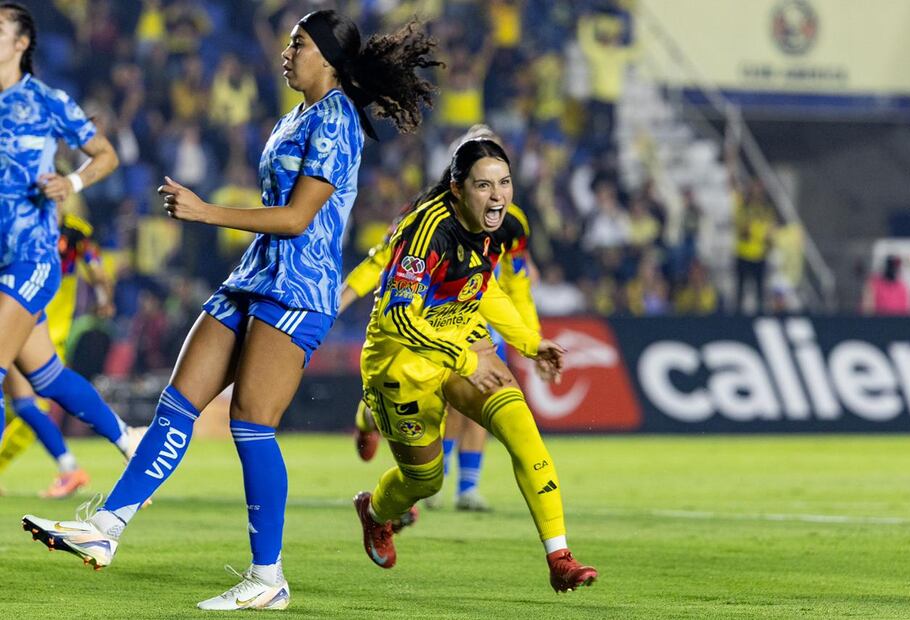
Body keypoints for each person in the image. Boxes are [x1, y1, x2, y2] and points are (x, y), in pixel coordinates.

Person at [23, 9, 440, 612]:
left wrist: (206, 211)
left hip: (297, 289)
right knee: (177, 401)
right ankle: (106, 527)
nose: (286, 51)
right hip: (252, 277)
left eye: (298, 43)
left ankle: (268, 578)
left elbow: (298, 219)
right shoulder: (295, 115)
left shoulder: (337, 120)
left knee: (250, 422)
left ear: (325, 56)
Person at [352, 138, 598, 592]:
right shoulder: (426, 232)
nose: (498, 195)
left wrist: (529, 342)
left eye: (504, 183)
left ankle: (560, 557)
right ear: (457, 188)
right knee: (424, 481)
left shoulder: (494, 228)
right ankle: (374, 512)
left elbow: (483, 289)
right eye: (484, 185)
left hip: (462, 336)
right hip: (401, 363)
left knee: (523, 431)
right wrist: (463, 359)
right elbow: (397, 315)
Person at [342, 124, 542, 512]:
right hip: (428, 320)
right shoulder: (424, 218)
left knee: (484, 401)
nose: (493, 189)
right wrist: (345, 296)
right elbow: (382, 259)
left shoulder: (513, 223)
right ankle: (376, 423)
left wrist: (529, 335)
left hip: (481, 313)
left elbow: (517, 281)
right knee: (443, 401)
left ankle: (467, 487)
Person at [0, 3, 119, 455]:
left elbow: (105, 154)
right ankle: (125, 439)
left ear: (21, 43)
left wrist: (70, 182)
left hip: (29, 256)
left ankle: (69, 466)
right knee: (45, 378)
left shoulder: (46, 101)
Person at [1, 212, 141, 499]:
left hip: (38, 312)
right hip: (28, 302)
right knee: (39, 390)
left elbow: (98, 269)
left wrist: (104, 299)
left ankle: (72, 465)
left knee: (31, 403)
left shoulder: (71, 231)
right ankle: (123, 438)